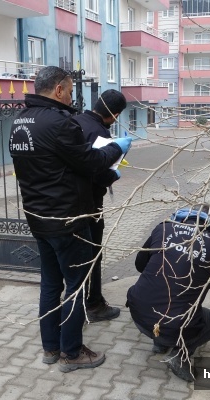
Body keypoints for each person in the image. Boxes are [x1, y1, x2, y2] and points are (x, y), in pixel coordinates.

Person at [9, 66, 133, 372]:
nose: (72, 96)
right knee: (76, 287)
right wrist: (117, 147)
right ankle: (72, 352)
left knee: (50, 284)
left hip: (38, 217)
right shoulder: (59, 123)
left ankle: (50, 348)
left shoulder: (20, 122)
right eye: (70, 89)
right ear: (59, 90)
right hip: (68, 220)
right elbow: (91, 162)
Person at [126, 203, 210, 382]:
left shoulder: (163, 228)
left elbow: (140, 265)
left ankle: (160, 342)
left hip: (138, 313)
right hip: (174, 324)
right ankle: (179, 355)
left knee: (159, 296)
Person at [73, 89, 128, 322]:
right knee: (93, 255)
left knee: (76, 257)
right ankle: (93, 304)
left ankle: (78, 301)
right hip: (90, 204)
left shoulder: (74, 121)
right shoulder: (99, 132)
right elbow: (96, 171)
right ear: (114, 114)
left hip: (67, 203)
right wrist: (114, 175)